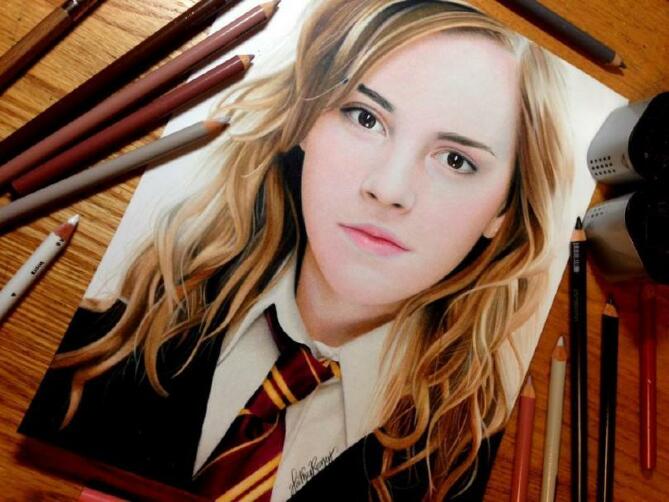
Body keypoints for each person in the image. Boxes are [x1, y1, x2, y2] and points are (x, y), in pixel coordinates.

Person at [20, 0, 572, 500]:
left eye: (456, 161)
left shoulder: (471, 469)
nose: (388, 189)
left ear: (504, 210)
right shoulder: (105, 338)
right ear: (306, 119)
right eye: (366, 117)